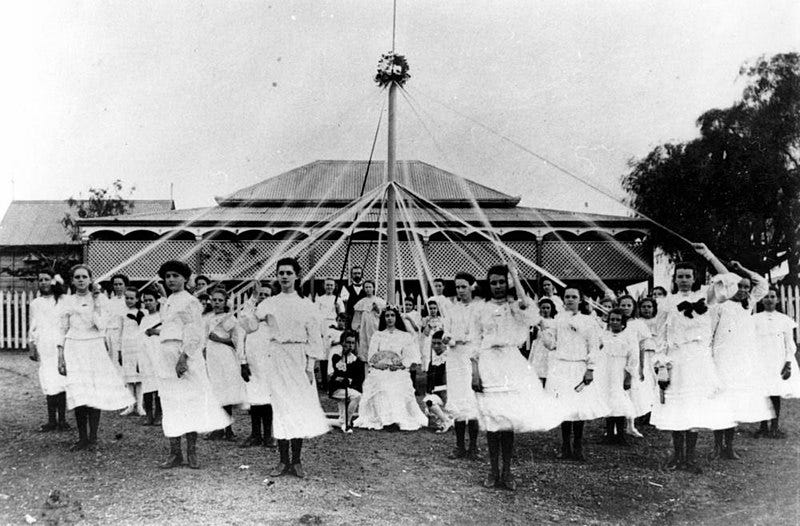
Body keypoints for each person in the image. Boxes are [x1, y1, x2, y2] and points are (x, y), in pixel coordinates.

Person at [472, 265, 567, 490]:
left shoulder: (517, 307)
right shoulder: (481, 309)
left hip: (510, 362)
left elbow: (533, 316)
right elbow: (475, 340)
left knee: (509, 419)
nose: (497, 287)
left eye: (502, 282)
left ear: (508, 284)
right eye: (493, 282)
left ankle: (507, 472)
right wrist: (475, 371)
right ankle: (493, 471)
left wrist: (515, 276)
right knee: (493, 420)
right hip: (488, 362)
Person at [651, 243, 738, 474]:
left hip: (699, 359)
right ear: (674, 278)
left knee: (695, 407)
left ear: (694, 277)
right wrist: (661, 365)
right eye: (679, 276)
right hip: (677, 359)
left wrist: (709, 254)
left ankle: (690, 458)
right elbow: (659, 336)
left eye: (688, 276)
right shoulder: (666, 303)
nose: (684, 280)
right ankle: (677, 456)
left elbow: (730, 282)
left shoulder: (706, 297)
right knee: (678, 406)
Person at [244, 258, 330, 478]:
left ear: (297, 276)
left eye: (288, 273)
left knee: (298, 407)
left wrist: (311, 366)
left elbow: (315, 339)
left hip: (298, 358)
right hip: (276, 357)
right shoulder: (269, 303)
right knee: (281, 408)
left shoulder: (306, 306)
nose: (284, 276)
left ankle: (297, 460)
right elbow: (249, 325)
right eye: (280, 272)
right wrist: (253, 298)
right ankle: (283, 461)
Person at [152, 260, 231, 469]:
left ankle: (191, 451)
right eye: (168, 276)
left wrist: (184, 357)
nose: (171, 280)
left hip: (183, 356)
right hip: (166, 356)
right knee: (171, 404)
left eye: (176, 276)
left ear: (185, 279)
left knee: (189, 402)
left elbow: (194, 332)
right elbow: (168, 329)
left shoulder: (190, 301)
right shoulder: (168, 301)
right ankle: (174, 452)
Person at [57, 265, 134, 451]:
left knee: (95, 391)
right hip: (74, 348)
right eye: (77, 277)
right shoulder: (67, 301)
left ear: (91, 279)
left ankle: (93, 436)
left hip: (94, 347)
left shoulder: (100, 300)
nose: (81, 280)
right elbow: (61, 329)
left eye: (84, 277)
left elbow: (101, 326)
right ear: (72, 280)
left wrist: (97, 301)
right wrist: (60, 356)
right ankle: (82, 437)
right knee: (79, 392)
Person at [709, 261, 773, 460]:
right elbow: (710, 334)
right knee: (721, 402)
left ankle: (729, 446)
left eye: (746, 287)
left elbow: (762, 283)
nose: (744, 290)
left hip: (741, 361)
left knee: (735, 403)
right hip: (722, 360)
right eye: (740, 286)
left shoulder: (749, 304)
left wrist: (742, 269)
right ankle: (718, 445)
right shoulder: (720, 306)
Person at [545, 286, 608, 462]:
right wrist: (544, 330)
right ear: (563, 299)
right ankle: (565, 446)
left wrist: (590, 369)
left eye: (574, 296)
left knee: (579, 408)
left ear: (580, 300)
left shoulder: (588, 321)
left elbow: (594, 346)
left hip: (579, 366)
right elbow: (550, 345)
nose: (570, 300)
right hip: (562, 367)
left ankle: (578, 447)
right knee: (565, 407)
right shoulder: (557, 319)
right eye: (567, 297)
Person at [354, 306, 428, 431]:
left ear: (396, 317)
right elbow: (372, 356)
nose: (389, 318)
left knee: (397, 383)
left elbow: (408, 357)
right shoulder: (378, 335)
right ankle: (385, 419)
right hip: (380, 370)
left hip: (397, 370)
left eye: (392, 315)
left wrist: (399, 365)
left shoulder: (404, 336)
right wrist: (378, 365)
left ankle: (397, 418)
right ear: (383, 318)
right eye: (387, 316)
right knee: (380, 382)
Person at [442, 272, 481, 460]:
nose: (460, 290)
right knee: (457, 399)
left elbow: (479, 334)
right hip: (455, 357)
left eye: (464, 286)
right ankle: (459, 446)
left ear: (472, 286)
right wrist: (447, 337)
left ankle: (473, 446)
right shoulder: (451, 309)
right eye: (457, 287)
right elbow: (446, 331)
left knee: (471, 399)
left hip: (471, 356)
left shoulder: (479, 309)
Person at [753, 286, 800, 438]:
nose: (769, 299)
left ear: (778, 299)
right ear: (761, 300)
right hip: (760, 360)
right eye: (766, 296)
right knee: (762, 392)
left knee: (775, 392)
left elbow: (790, 344)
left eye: (772, 296)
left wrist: (787, 362)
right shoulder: (754, 319)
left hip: (777, 360)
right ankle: (762, 426)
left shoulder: (784, 320)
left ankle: (774, 426)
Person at [203, 287, 248, 441]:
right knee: (215, 392)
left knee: (225, 392)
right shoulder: (208, 317)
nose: (216, 303)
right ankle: (218, 429)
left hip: (225, 357)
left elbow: (237, 340)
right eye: (214, 300)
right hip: (211, 357)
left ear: (225, 302)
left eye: (220, 300)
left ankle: (228, 429)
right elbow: (204, 338)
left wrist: (220, 339)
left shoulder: (229, 318)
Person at [28, 271, 69, 432]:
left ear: (52, 282)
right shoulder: (36, 303)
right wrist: (31, 344)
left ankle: (63, 420)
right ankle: (52, 420)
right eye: (41, 280)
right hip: (44, 344)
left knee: (61, 380)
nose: (43, 282)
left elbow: (65, 325)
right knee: (48, 380)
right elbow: (33, 325)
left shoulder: (62, 301)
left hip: (60, 344)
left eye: (46, 279)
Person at [238, 282, 276, 448]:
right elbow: (241, 338)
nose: (263, 297)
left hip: (269, 363)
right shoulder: (249, 316)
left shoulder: (275, 315)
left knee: (267, 399)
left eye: (267, 295)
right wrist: (243, 362)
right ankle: (255, 434)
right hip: (252, 363)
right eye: (261, 294)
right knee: (254, 398)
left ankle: (268, 435)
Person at [598, 309, 638, 446]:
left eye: (617, 320)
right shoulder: (604, 335)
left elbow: (633, 356)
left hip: (620, 369)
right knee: (608, 400)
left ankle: (620, 434)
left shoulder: (629, 336)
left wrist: (628, 375)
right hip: (606, 369)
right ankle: (609, 433)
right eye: (612, 319)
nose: (614, 322)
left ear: (623, 322)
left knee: (619, 401)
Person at [617, 295, 656, 437]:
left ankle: (630, 425)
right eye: (623, 305)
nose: (625, 308)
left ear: (633, 307)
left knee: (631, 392)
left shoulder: (638, 324)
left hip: (633, 362)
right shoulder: (615, 321)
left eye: (628, 305)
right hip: (616, 361)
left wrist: (640, 366)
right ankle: (616, 426)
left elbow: (641, 347)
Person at [328, 330, 365, 433]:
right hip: (337, 388)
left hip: (349, 388)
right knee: (356, 396)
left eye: (353, 343)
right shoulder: (337, 356)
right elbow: (338, 373)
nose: (350, 345)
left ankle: (328, 421)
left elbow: (358, 378)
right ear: (342, 342)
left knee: (341, 419)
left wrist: (349, 381)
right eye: (348, 342)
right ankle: (347, 423)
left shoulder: (356, 360)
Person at [118, 286, 146, 417]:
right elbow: (119, 331)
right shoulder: (122, 313)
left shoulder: (143, 312)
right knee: (129, 378)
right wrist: (119, 350)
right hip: (126, 347)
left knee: (139, 378)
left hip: (138, 347)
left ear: (137, 299)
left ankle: (140, 406)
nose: (129, 300)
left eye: (131, 298)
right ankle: (130, 405)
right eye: (127, 298)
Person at [139, 288, 162, 426]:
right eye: (145, 300)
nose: (148, 303)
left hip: (159, 354)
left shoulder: (162, 316)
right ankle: (149, 415)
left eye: (150, 300)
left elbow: (167, 333)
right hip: (146, 355)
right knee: (147, 385)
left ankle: (159, 414)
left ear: (157, 301)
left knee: (159, 385)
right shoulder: (144, 319)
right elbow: (140, 338)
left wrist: (155, 331)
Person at [351, 280, 386, 362]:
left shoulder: (379, 301)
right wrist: (357, 327)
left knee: (376, 342)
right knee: (365, 343)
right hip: (364, 327)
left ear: (373, 288)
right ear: (363, 289)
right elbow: (357, 317)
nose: (368, 289)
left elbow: (383, 316)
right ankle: (366, 362)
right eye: (366, 287)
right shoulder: (361, 302)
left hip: (375, 325)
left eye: (370, 287)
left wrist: (377, 309)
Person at [528, 298, 557, 387]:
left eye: (548, 308)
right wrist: (535, 330)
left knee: (549, 375)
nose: (545, 310)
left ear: (551, 309)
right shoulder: (537, 321)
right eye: (543, 308)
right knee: (538, 374)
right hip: (538, 350)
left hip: (550, 351)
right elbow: (532, 338)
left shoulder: (555, 322)